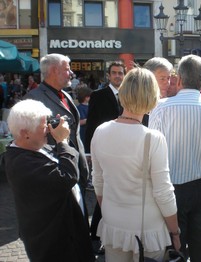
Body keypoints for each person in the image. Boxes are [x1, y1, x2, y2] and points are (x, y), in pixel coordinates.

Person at [91, 67, 180, 261]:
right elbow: (163, 192)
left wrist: (111, 211)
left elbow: (98, 182)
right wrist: (175, 232)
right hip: (147, 229)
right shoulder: (153, 138)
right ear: (151, 98)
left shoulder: (100, 131)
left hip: (113, 223)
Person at [149, 54, 201, 261]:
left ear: (179, 79)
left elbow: (151, 156)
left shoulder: (160, 109)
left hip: (169, 189)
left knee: (172, 250)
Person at [5, 99, 95, 262]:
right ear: (26, 133)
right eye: (44, 125)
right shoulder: (20, 163)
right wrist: (62, 141)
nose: (48, 128)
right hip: (54, 246)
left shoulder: (35, 146)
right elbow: (67, 177)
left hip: (68, 235)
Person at [24, 53, 90, 216]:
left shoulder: (65, 94)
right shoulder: (33, 99)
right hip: (58, 173)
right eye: (67, 70)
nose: (71, 74)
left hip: (75, 168)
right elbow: (30, 140)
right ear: (54, 70)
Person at [85, 61, 126, 248]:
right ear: (108, 76)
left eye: (120, 73)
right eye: (114, 73)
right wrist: (89, 152)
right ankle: (96, 231)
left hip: (124, 151)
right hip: (105, 150)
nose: (117, 76)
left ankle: (104, 229)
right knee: (105, 190)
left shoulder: (127, 95)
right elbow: (92, 125)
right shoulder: (98, 95)